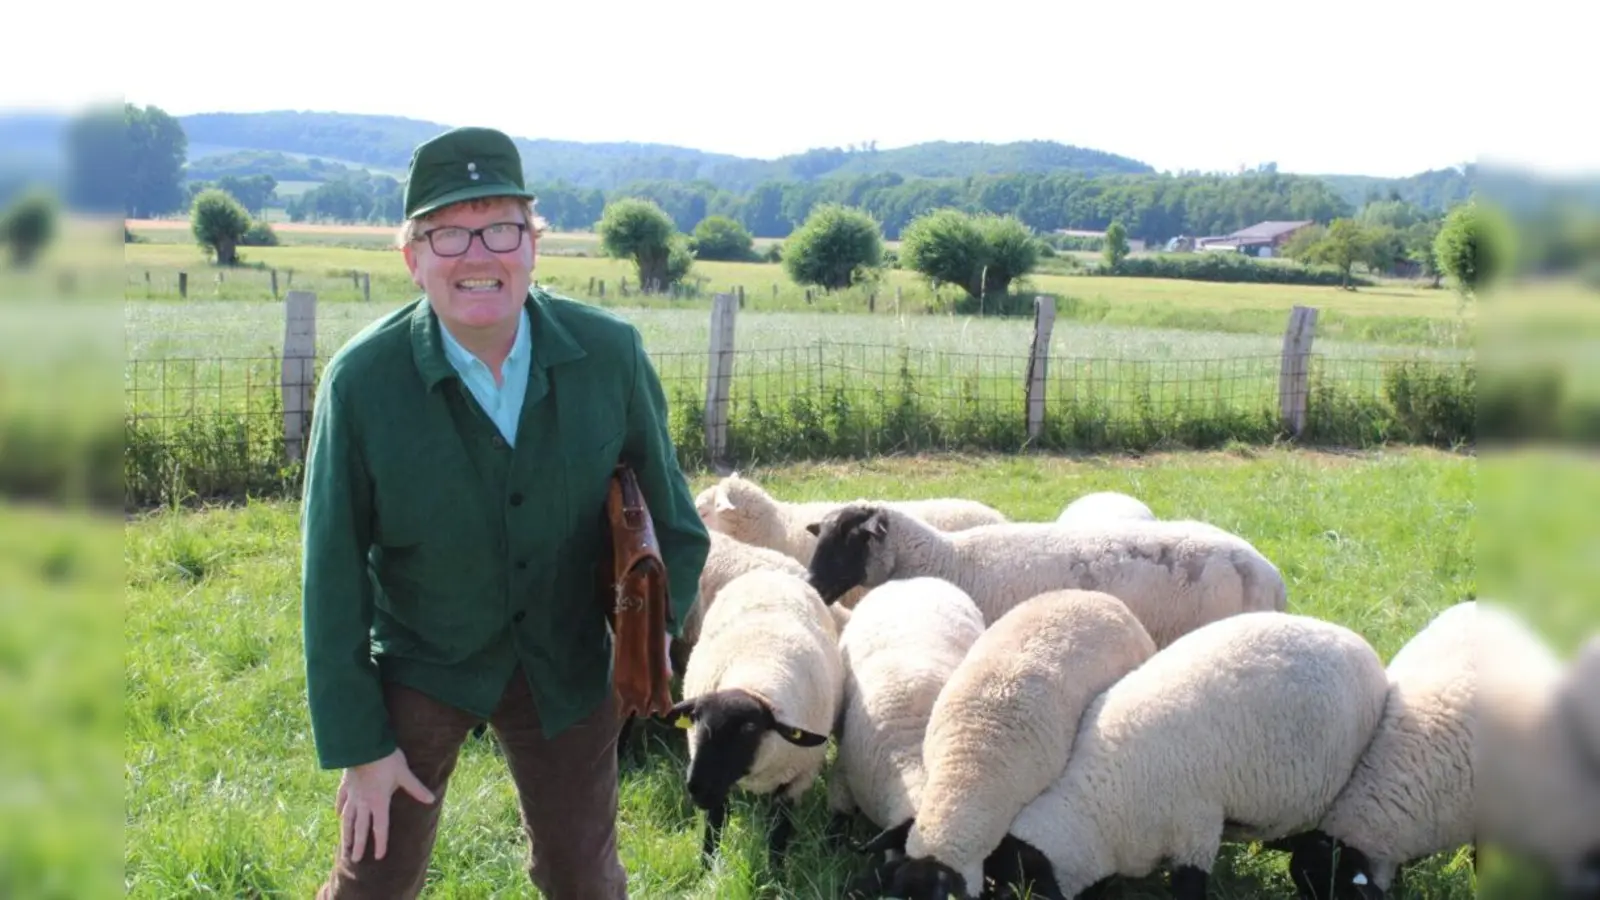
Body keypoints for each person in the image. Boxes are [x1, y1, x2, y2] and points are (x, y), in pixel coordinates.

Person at [298, 125, 711, 899]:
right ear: (412, 258)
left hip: (567, 661)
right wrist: (362, 747)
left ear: (534, 244)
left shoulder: (609, 353)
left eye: (501, 228)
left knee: (583, 876)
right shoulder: (361, 383)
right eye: (448, 233)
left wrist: (643, 645)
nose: (478, 255)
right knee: (373, 878)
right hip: (423, 656)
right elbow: (330, 578)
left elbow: (678, 526)